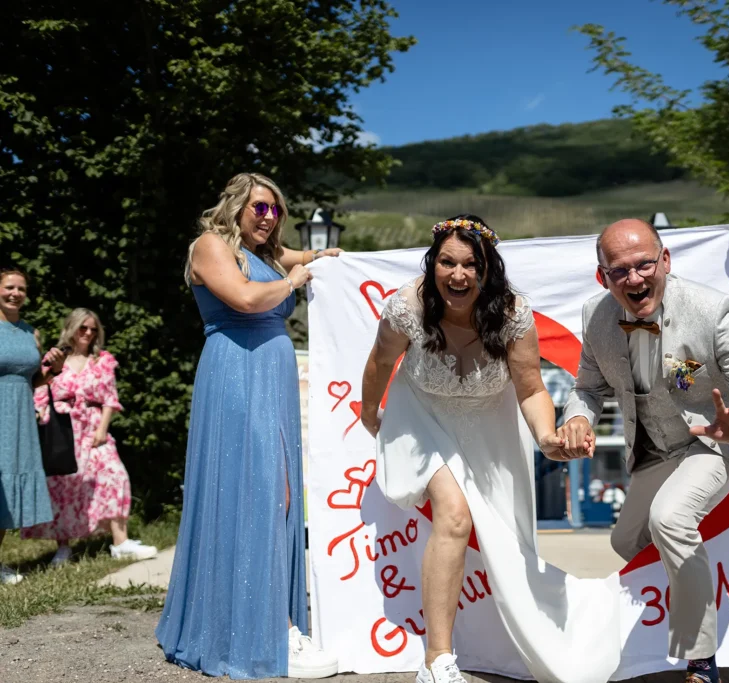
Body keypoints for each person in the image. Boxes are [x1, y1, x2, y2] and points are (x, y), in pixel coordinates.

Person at [361, 215, 621, 683]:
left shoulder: (511, 313)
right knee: (454, 516)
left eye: (470, 264)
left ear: (488, 269)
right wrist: (368, 414)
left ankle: (524, 633)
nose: (458, 275)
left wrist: (546, 438)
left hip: (491, 427)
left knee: (509, 543)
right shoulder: (408, 307)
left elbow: (530, 387)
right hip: (420, 417)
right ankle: (437, 661)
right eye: (447, 262)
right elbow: (380, 361)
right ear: (432, 263)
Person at [558, 220, 729, 683]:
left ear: (665, 260)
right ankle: (676, 605)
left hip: (714, 441)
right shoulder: (595, 316)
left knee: (670, 519)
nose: (635, 278)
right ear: (603, 277)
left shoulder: (712, 310)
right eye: (619, 271)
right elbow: (587, 388)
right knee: (625, 541)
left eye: (644, 264)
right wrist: (578, 417)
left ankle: (700, 661)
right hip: (654, 449)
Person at [156, 173, 340, 679]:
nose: (269, 217)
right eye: (260, 207)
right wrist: (295, 281)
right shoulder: (211, 246)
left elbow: (309, 257)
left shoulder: (267, 256)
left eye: (276, 209)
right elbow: (243, 298)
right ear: (236, 205)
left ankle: (261, 623)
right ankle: (274, 632)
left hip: (272, 381)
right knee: (261, 492)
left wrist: (328, 259)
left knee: (280, 495)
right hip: (236, 374)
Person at [22, 309, 157, 564]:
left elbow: (109, 398)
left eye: (93, 329)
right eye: (83, 327)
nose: (88, 333)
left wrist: (102, 429)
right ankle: (64, 546)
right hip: (62, 428)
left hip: (94, 427)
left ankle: (120, 542)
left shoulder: (102, 360)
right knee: (63, 486)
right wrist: (39, 419)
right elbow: (40, 392)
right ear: (71, 328)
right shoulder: (55, 358)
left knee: (115, 475)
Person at [0, 265, 66, 584]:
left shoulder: (31, 333)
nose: (15, 293)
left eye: (21, 289)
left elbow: (33, 379)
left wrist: (55, 369)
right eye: (9, 287)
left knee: (8, 485)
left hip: (20, 415)